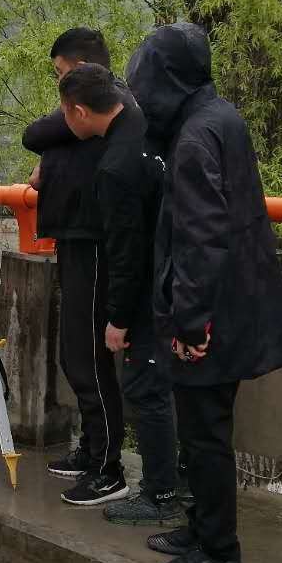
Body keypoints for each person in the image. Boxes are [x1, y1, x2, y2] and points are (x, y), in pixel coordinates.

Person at [126, 22, 282, 563]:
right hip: (237, 299)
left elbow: (201, 236)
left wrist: (191, 321)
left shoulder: (195, 136)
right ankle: (200, 528)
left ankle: (219, 550)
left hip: (212, 313)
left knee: (204, 435)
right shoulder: (219, 116)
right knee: (204, 429)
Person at [23, 28, 178, 513]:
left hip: (94, 242)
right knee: (76, 353)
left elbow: (35, 134)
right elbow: (46, 139)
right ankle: (94, 448)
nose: (60, 88)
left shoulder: (116, 114)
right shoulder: (103, 118)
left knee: (88, 355)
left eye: (61, 75)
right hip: (77, 236)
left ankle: (108, 466)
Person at [55, 63, 184, 527]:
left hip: (151, 289)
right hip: (180, 274)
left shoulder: (115, 166)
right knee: (167, 389)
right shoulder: (150, 127)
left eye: (64, 112)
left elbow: (126, 251)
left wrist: (118, 317)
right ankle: (177, 483)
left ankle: (161, 493)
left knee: (146, 388)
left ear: (79, 111)